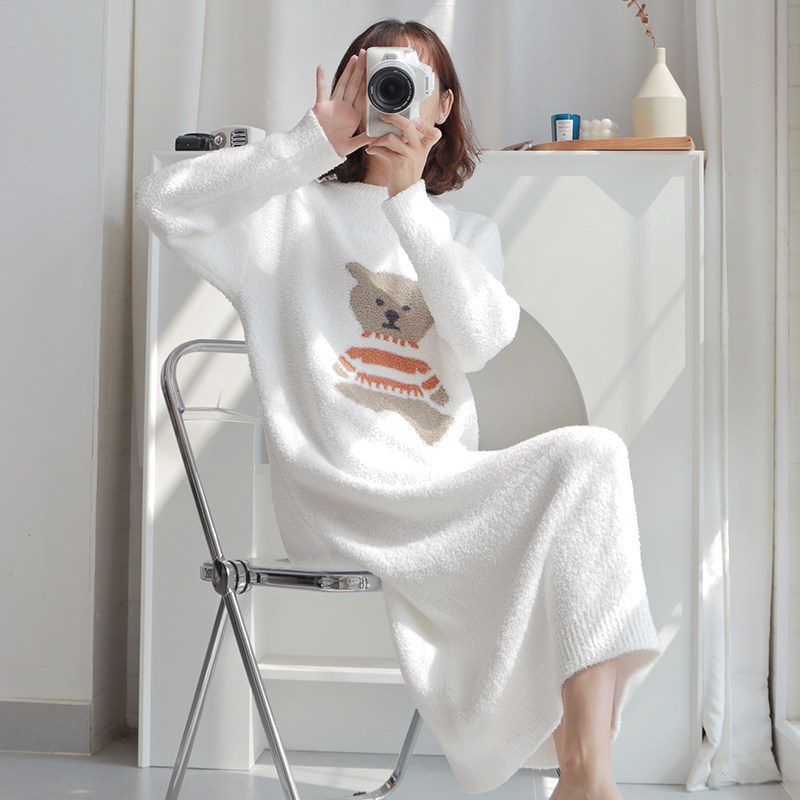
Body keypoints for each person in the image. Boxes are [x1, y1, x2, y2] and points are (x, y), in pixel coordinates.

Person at [135, 18, 662, 800]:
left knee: (595, 456)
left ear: (442, 106)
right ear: (352, 87)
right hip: (337, 494)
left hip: (437, 488)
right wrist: (308, 144)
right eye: (380, 79)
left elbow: (481, 339)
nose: (394, 98)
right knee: (580, 481)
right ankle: (582, 772)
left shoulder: (464, 234)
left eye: (413, 84)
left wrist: (409, 203)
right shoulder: (288, 213)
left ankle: (587, 774)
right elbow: (163, 206)